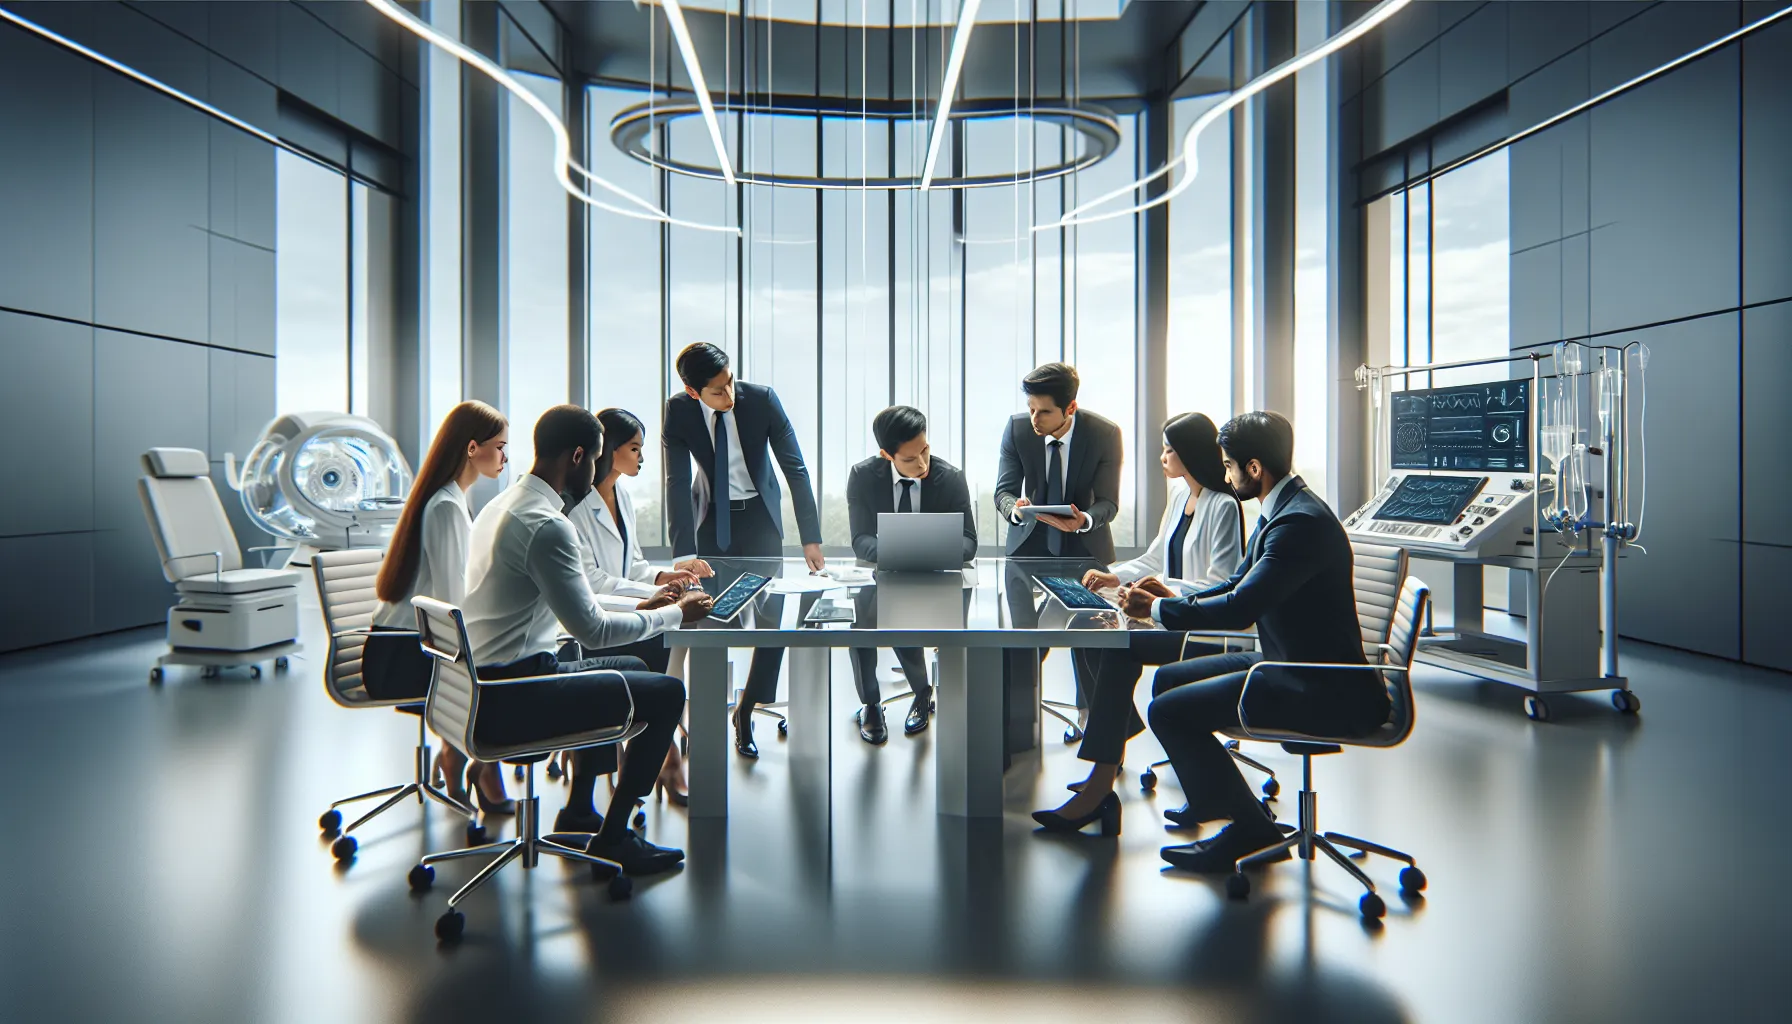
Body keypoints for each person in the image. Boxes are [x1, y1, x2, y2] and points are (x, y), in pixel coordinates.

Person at [460, 405, 714, 874]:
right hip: (517, 692)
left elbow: (585, 602)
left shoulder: (501, 506)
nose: (598, 470)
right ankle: (614, 838)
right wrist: (675, 614)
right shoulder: (548, 524)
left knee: (631, 670)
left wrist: (649, 605)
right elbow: (592, 630)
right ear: (578, 457)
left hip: (484, 681)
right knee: (667, 692)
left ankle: (579, 809)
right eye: (596, 459)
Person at [1124, 411, 1380, 872]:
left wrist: (1157, 612)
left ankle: (1250, 828)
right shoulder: (1283, 508)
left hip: (1320, 682)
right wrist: (1171, 598)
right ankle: (1210, 800)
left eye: (1228, 465)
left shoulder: (1296, 525)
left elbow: (1242, 608)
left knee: (1167, 711)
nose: (1224, 474)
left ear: (1255, 468)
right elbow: (1235, 584)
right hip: (1289, 659)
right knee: (1167, 680)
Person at [1032, 412, 1244, 834]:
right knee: (1087, 634)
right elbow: (1154, 558)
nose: (1163, 456)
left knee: (1118, 647)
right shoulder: (1181, 499)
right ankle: (1115, 742)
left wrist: (1161, 594)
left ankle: (1099, 785)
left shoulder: (1223, 505)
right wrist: (1115, 576)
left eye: (1169, 449)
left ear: (1189, 453)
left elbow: (1221, 583)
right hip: (1169, 616)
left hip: (1198, 626)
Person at [662, 342, 824, 758]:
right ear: (693, 391)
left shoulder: (762, 400)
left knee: (772, 625)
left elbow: (796, 468)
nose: (729, 395)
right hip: (710, 522)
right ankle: (705, 723)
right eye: (717, 390)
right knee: (710, 623)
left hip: (760, 522)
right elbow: (677, 484)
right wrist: (683, 553)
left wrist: (810, 536)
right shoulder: (678, 411)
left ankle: (746, 712)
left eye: (730, 381)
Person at [369, 400, 512, 812]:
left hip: (400, 644)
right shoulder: (447, 505)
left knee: (493, 654)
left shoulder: (446, 498)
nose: (505, 456)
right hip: (402, 656)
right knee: (501, 663)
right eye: (500, 446)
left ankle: (462, 754)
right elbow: (454, 603)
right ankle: (469, 760)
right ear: (472, 448)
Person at [568, 407, 715, 804]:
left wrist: (667, 578)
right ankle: (661, 754)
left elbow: (632, 564)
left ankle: (657, 750)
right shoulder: (574, 506)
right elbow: (591, 581)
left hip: (629, 605)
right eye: (634, 449)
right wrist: (653, 601)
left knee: (677, 629)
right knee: (662, 638)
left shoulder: (623, 497)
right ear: (610, 449)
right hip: (596, 618)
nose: (642, 458)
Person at [844, 405, 978, 744]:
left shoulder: (950, 477)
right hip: (881, 573)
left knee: (912, 616)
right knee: (862, 626)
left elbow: (969, 542)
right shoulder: (862, 475)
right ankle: (871, 704)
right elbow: (860, 539)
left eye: (925, 451)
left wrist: (927, 550)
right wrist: (896, 552)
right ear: (886, 454)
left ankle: (922, 694)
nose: (922, 465)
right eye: (909, 459)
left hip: (934, 575)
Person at [993, 362, 1123, 562]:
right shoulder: (1017, 430)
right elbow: (1003, 492)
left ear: (1070, 408)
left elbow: (1108, 502)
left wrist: (1083, 520)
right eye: (1031, 409)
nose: (1035, 419)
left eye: (1045, 412)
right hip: (1027, 547)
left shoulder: (1105, 435)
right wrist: (1015, 510)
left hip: (1086, 548)